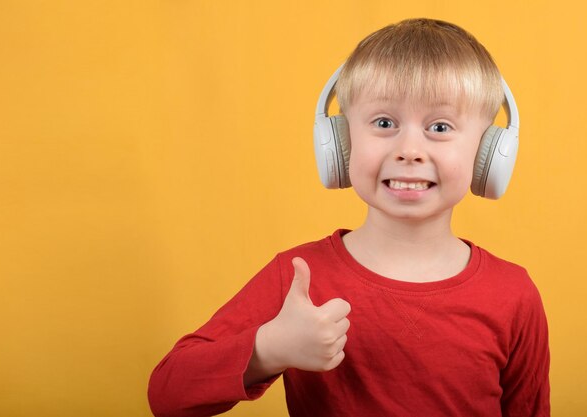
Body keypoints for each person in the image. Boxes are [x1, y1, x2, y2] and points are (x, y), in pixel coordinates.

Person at [148, 18, 550, 417]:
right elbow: (167, 393)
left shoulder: (514, 294)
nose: (409, 149)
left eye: (440, 126)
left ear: (489, 152)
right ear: (340, 142)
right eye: (384, 122)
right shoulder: (300, 279)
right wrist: (270, 348)